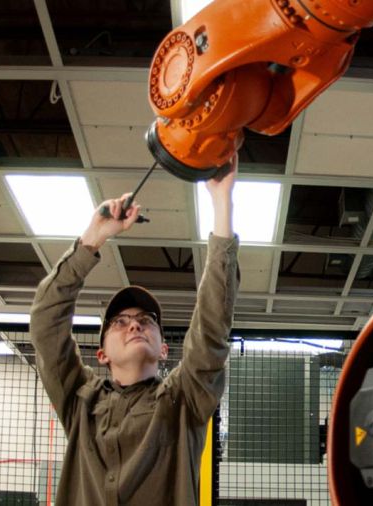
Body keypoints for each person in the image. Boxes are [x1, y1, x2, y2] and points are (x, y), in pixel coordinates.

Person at [30, 156, 240, 505]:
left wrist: (222, 202)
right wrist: (93, 237)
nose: (135, 324)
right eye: (120, 322)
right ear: (101, 355)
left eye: (146, 320)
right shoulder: (80, 400)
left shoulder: (183, 399)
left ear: (163, 350)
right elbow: (45, 324)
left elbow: (212, 326)